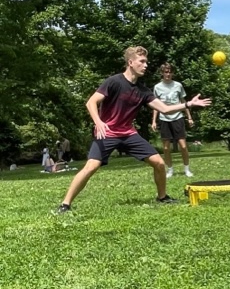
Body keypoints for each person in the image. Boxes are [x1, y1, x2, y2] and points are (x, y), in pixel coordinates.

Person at [55, 46, 211, 214]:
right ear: (130, 62)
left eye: (146, 62)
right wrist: (98, 122)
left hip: (128, 134)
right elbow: (91, 102)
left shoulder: (143, 91)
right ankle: (65, 204)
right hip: (107, 133)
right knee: (91, 167)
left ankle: (162, 197)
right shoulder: (114, 81)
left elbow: (164, 109)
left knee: (158, 163)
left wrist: (188, 104)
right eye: (142, 62)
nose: (145, 65)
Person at [151, 63, 194, 178]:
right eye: (165, 72)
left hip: (177, 118)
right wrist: (154, 121)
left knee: (183, 146)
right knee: (166, 148)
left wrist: (189, 117)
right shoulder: (157, 87)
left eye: (170, 71)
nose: (168, 74)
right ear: (162, 73)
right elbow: (156, 106)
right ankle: (170, 170)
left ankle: (187, 169)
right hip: (164, 119)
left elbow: (183, 102)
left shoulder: (178, 85)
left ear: (172, 73)